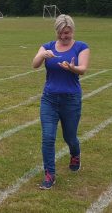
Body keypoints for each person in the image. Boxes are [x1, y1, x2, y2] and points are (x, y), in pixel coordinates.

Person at [32, 14, 90, 190]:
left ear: (72, 30)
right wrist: (42, 55)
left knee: (69, 137)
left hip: (71, 100)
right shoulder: (48, 46)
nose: (64, 36)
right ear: (56, 32)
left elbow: (83, 69)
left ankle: (75, 154)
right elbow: (34, 64)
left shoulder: (81, 47)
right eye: (61, 33)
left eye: (67, 32)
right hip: (49, 99)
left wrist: (72, 68)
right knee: (48, 138)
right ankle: (49, 174)